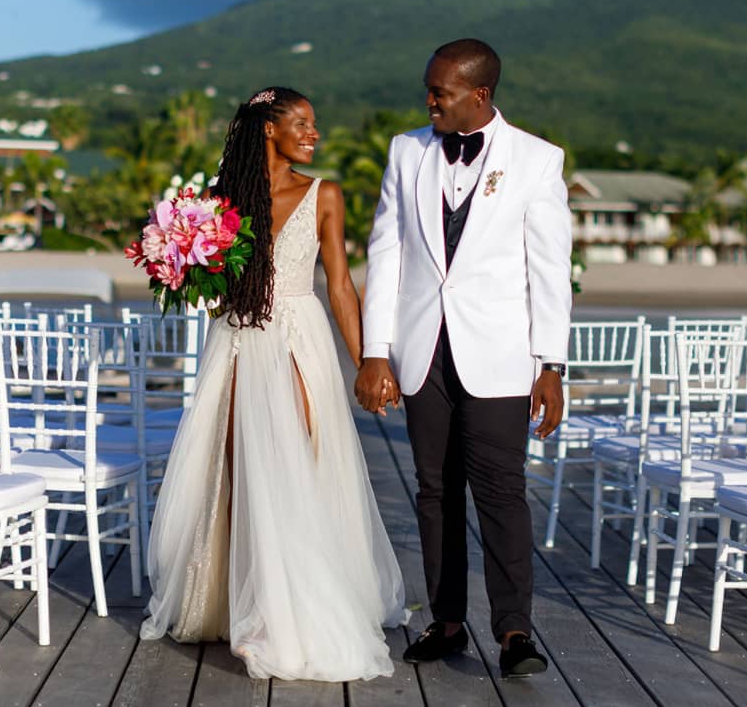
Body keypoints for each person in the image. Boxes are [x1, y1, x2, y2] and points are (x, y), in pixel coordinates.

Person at [141, 86, 409, 681]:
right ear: (269, 128)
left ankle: (291, 610)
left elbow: (340, 285)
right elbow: (205, 288)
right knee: (238, 467)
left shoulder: (325, 194)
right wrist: (185, 267)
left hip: (299, 338)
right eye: (302, 122)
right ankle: (243, 602)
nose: (314, 133)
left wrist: (369, 360)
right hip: (238, 340)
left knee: (300, 464)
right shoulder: (217, 203)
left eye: (315, 123)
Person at [355, 39, 572, 679]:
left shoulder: (537, 160)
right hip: (423, 352)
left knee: (502, 491)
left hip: (501, 355)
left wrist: (551, 364)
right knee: (435, 491)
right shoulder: (406, 151)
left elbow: (550, 270)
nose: (428, 101)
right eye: (428, 89)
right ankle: (446, 623)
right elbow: (385, 253)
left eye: (439, 92)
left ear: (478, 94)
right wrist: (375, 353)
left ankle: (513, 634)